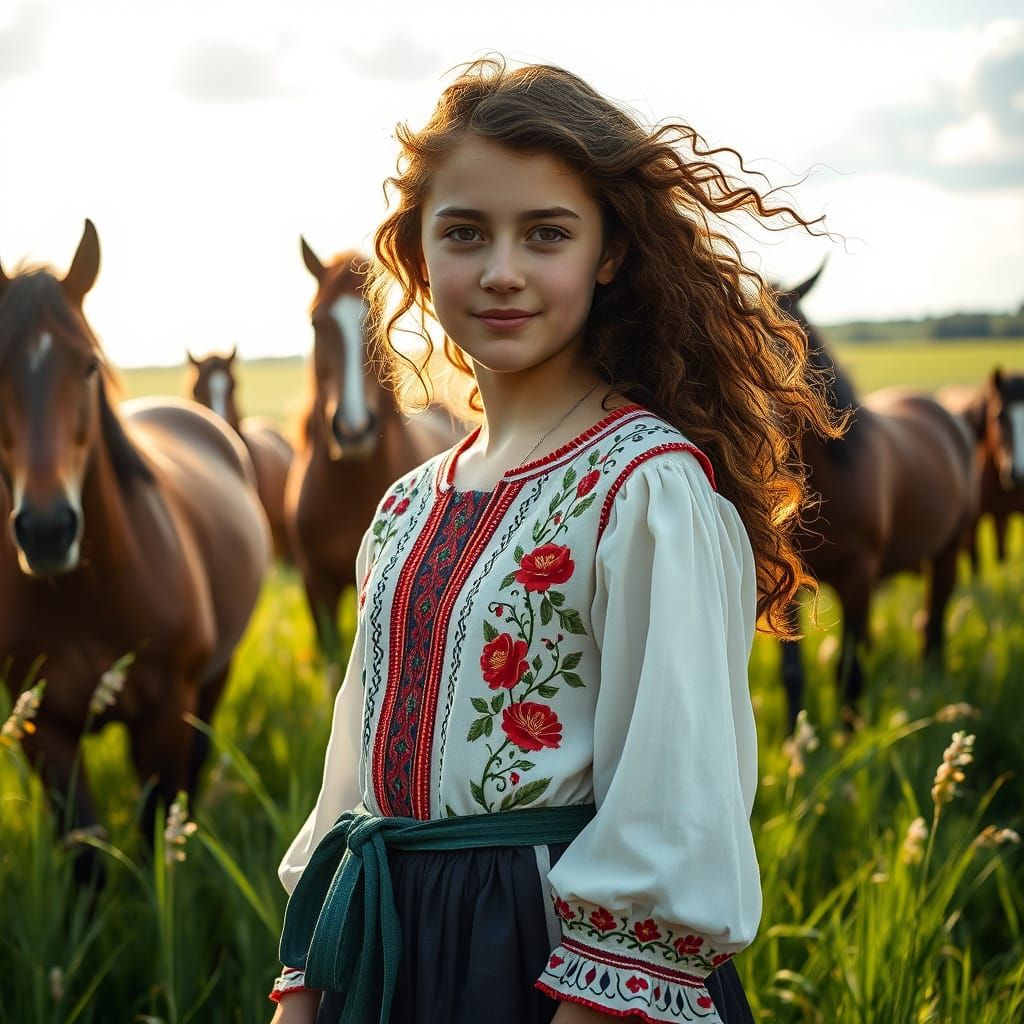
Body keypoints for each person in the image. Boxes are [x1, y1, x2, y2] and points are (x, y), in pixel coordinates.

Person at [269, 58, 839, 1024]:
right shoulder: (406, 506)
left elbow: (674, 807)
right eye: (463, 232)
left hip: (546, 965)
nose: (501, 270)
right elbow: (348, 789)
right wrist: (307, 993)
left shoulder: (647, 488)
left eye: (546, 234)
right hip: (391, 955)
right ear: (416, 254)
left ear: (608, 254)